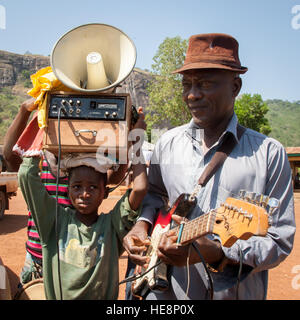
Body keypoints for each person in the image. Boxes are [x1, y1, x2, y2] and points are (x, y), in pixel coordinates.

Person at [123, 33, 296, 300]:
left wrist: (220, 251)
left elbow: (278, 241)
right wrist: (142, 225)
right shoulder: (166, 143)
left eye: (204, 84)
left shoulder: (269, 154)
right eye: (187, 84)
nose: (192, 95)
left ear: (235, 86)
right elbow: (154, 196)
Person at [2, 98, 136, 290]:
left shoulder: (90, 154)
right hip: (39, 260)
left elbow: (113, 177)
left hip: (78, 261)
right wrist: (25, 111)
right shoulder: (40, 155)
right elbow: (10, 159)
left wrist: (127, 135)